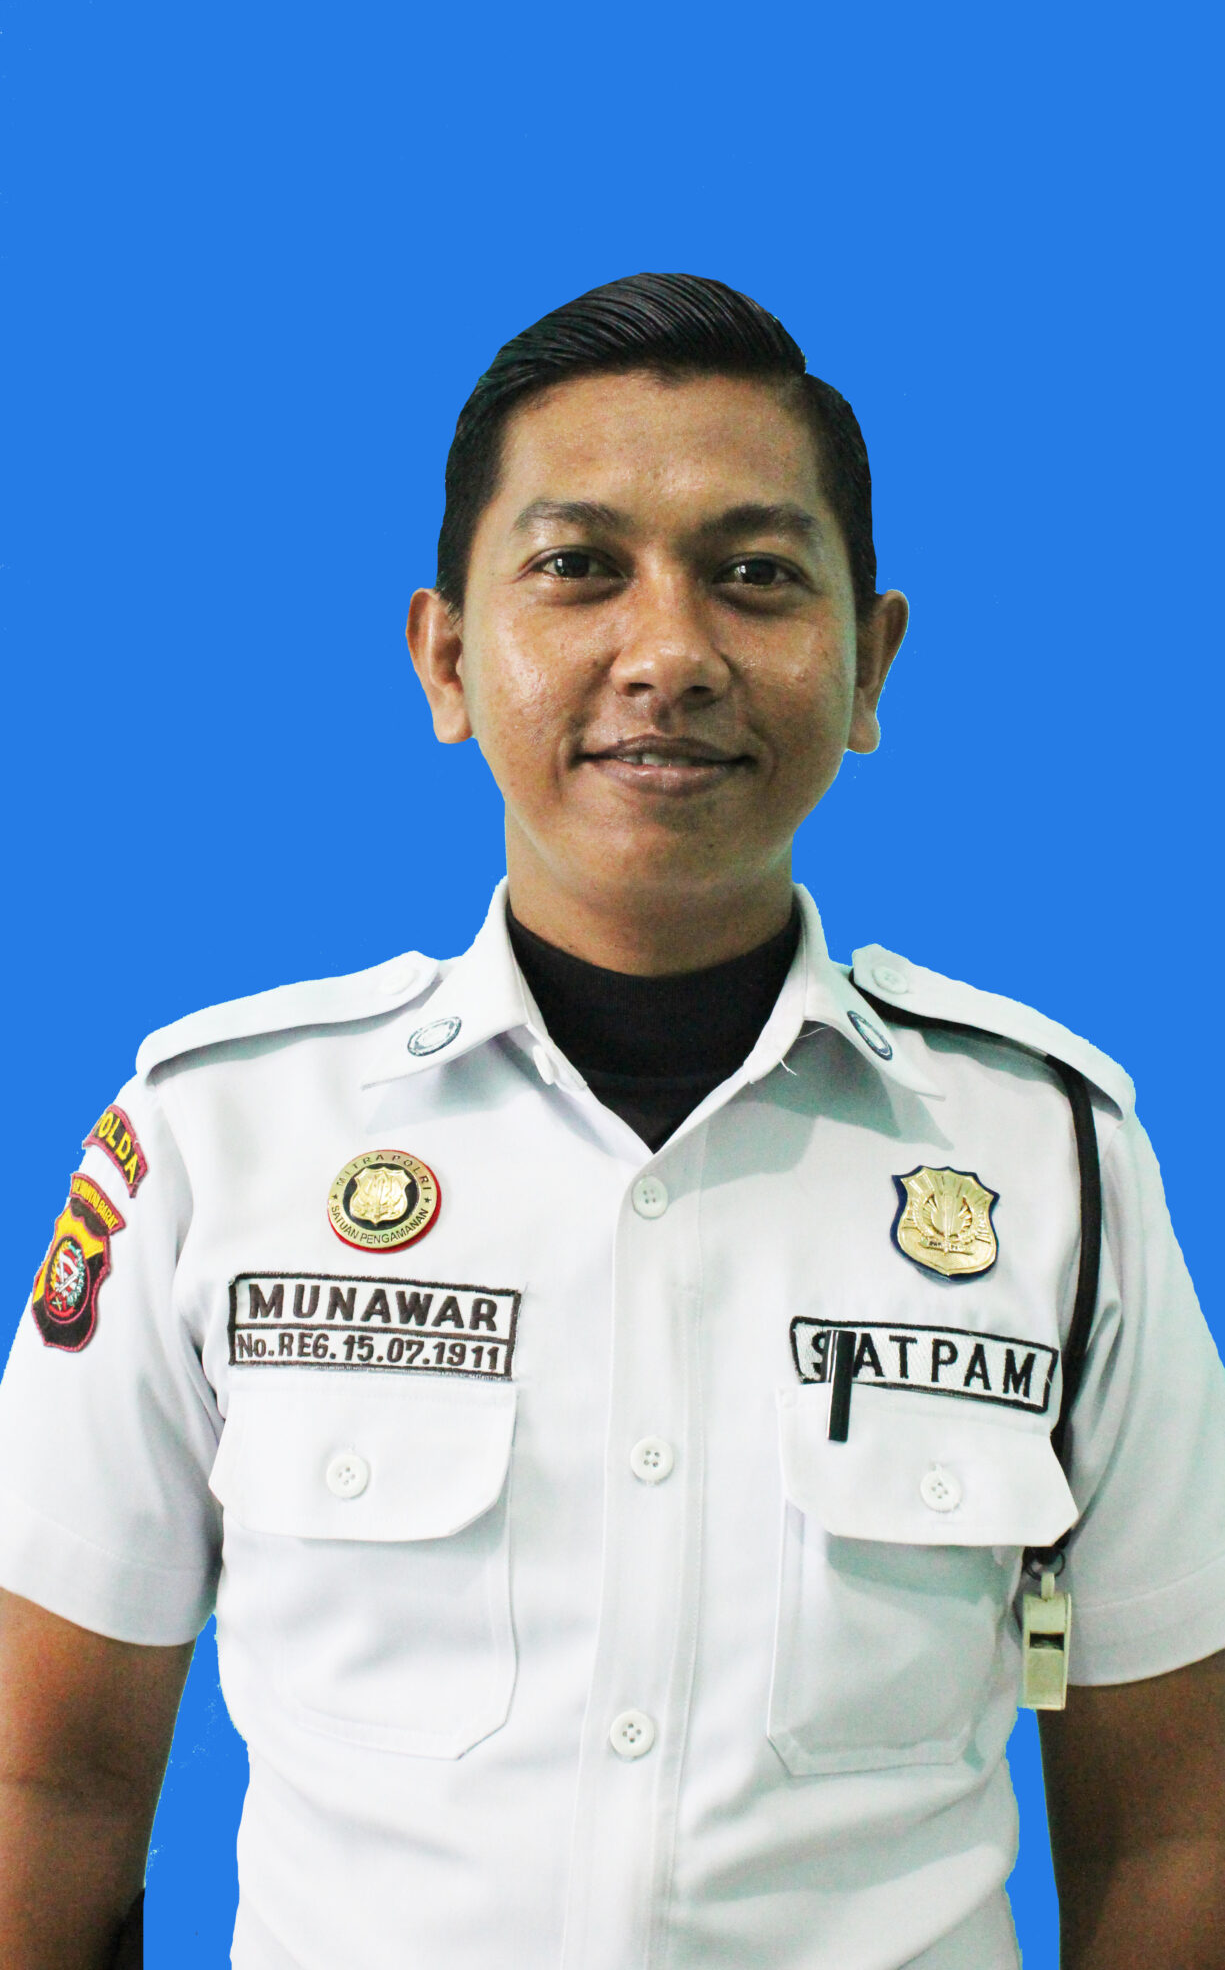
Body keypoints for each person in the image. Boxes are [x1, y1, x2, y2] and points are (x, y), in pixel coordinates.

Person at [1, 273, 1223, 1970]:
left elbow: (1174, 1824)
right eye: (578, 567)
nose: (668, 655)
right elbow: (47, 1780)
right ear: (446, 657)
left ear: (869, 663)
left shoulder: (1053, 1161)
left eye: (756, 576)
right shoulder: (218, 1140)